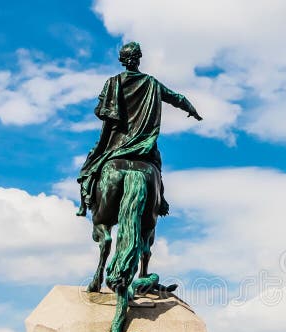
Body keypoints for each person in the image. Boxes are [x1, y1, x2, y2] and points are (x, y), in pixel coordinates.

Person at [76, 41, 202, 217]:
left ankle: (85, 201)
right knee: (156, 165)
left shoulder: (113, 82)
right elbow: (177, 98)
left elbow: (100, 110)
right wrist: (191, 109)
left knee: (90, 163)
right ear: (139, 59)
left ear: (122, 60)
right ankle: (161, 199)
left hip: (115, 145)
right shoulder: (151, 83)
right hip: (143, 145)